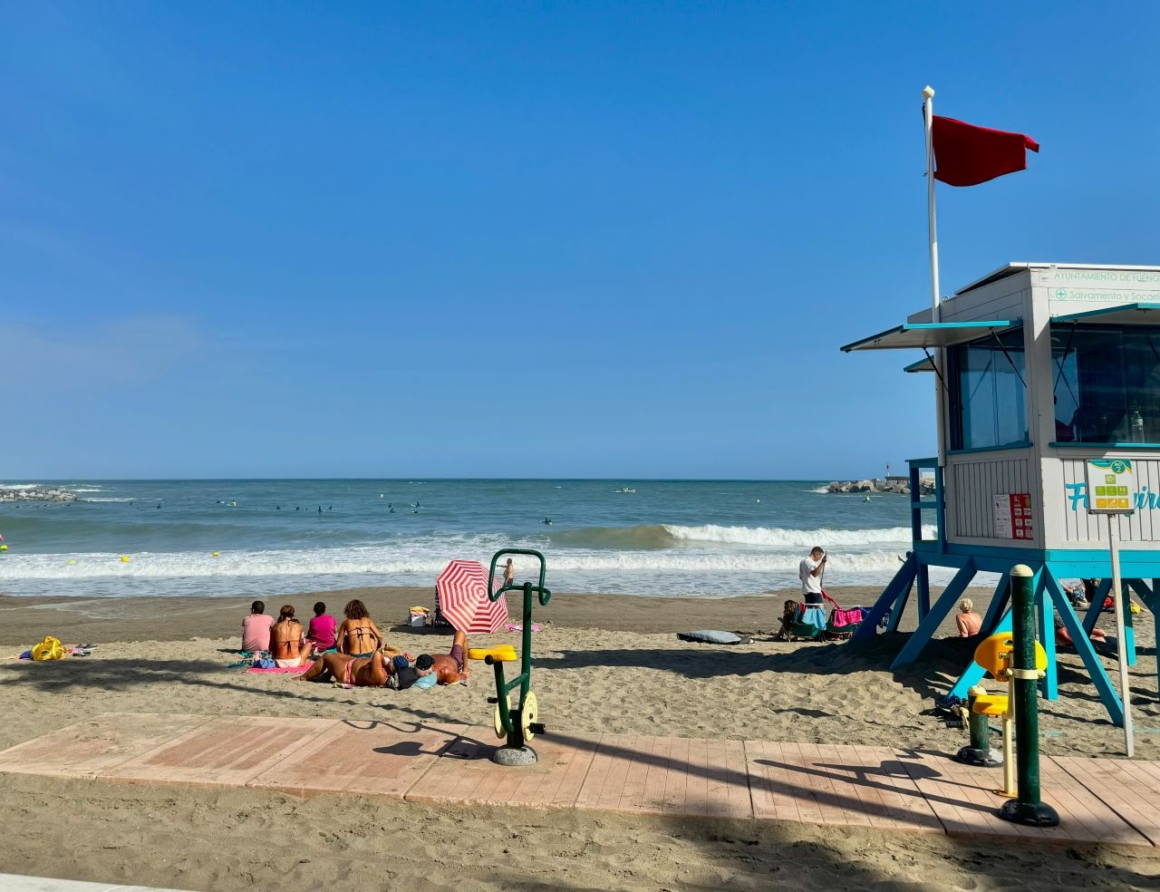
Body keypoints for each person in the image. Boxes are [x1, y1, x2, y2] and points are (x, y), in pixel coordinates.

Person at [797, 547, 828, 633]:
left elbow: (801, 577)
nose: (819, 559)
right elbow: (814, 573)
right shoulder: (808, 562)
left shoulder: (802, 561)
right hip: (813, 591)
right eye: (820, 557)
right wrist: (822, 562)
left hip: (808, 590)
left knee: (810, 614)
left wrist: (817, 583)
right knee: (820, 612)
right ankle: (820, 632)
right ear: (816, 554)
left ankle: (810, 631)